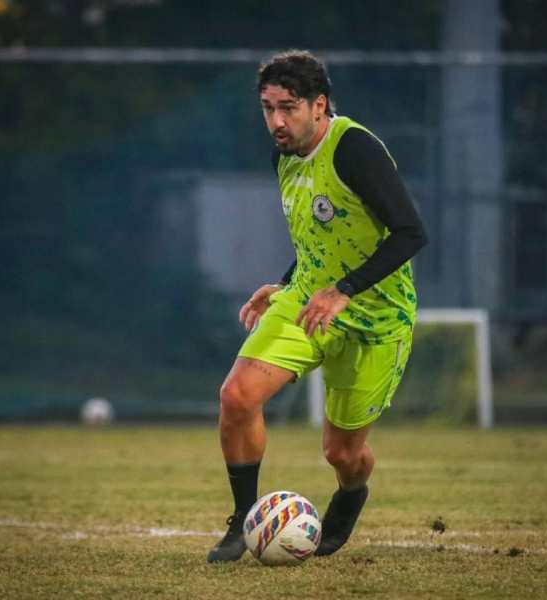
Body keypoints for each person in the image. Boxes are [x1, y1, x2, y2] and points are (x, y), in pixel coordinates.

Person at [207, 49, 429, 563]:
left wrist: (345, 290)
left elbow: (411, 233)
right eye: (267, 108)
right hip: (307, 302)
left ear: (319, 104)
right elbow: (321, 236)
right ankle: (242, 521)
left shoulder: (354, 149)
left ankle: (351, 495)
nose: (276, 121)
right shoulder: (283, 155)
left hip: (376, 317)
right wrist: (285, 282)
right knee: (238, 396)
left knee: (342, 453)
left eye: (288, 107)